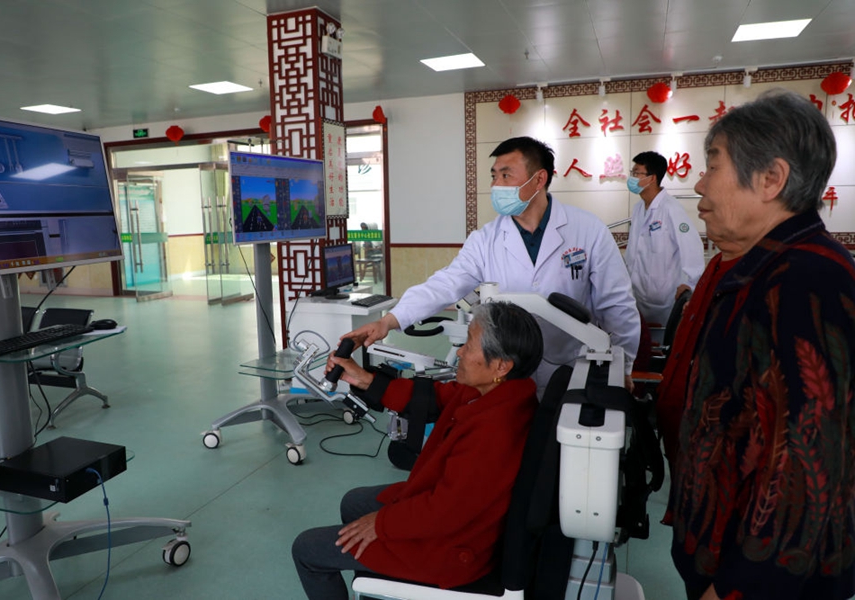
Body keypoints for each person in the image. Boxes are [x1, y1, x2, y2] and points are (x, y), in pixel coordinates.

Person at [659, 89, 855, 600]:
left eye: (713, 165)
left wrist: (736, 590)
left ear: (771, 179)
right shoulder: (758, 269)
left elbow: (807, 465)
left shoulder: (807, 280)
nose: (699, 184)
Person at [344, 136, 640, 391]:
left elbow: (616, 304)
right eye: (494, 176)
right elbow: (445, 284)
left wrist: (623, 367)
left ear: (539, 179)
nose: (496, 185)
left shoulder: (588, 230)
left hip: (571, 365)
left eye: (506, 175)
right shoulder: (486, 239)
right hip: (507, 371)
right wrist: (388, 321)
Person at [291, 302, 544, 599]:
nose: (460, 352)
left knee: (307, 549)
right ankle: (377, 573)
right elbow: (435, 399)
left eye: (469, 345)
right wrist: (365, 380)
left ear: (501, 366)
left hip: (450, 550)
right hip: (449, 515)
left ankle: (386, 566)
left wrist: (382, 524)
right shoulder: (492, 391)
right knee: (354, 502)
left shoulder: (496, 430)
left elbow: (446, 511)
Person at [624, 151, 705, 326]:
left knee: (663, 340)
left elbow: (692, 247)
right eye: (632, 172)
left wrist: (691, 284)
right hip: (638, 297)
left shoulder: (671, 209)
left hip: (665, 301)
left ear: (652, 178)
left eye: (636, 173)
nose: (632, 178)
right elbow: (633, 251)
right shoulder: (638, 208)